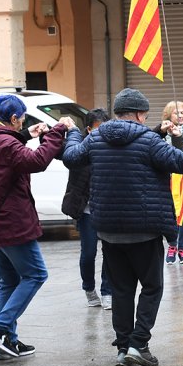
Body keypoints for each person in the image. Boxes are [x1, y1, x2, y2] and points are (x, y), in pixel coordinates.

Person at [62, 88, 183, 366]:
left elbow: (71, 157)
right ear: (141, 114)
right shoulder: (149, 139)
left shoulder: (95, 137)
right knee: (152, 286)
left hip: (108, 229)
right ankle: (138, 343)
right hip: (145, 229)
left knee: (121, 290)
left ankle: (123, 347)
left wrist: (71, 132)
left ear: (117, 112)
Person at [0, 94, 73, 360]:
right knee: (35, 275)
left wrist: (27, 134)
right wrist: (58, 131)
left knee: (9, 279)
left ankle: (7, 343)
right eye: (22, 119)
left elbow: (8, 156)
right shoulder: (4, 143)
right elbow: (36, 161)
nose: (22, 122)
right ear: (13, 118)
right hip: (10, 224)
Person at [61, 108, 112, 309]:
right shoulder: (78, 149)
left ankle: (108, 292)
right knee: (89, 253)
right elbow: (58, 149)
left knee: (110, 252)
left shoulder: (113, 147)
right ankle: (89, 287)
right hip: (86, 212)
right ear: (88, 129)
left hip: (108, 210)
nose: (100, 134)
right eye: (97, 130)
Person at [157, 101, 183, 265]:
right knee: (172, 216)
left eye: (182, 112)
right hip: (171, 181)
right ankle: (172, 246)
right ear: (169, 116)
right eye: (176, 113)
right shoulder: (163, 134)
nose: (180, 115)